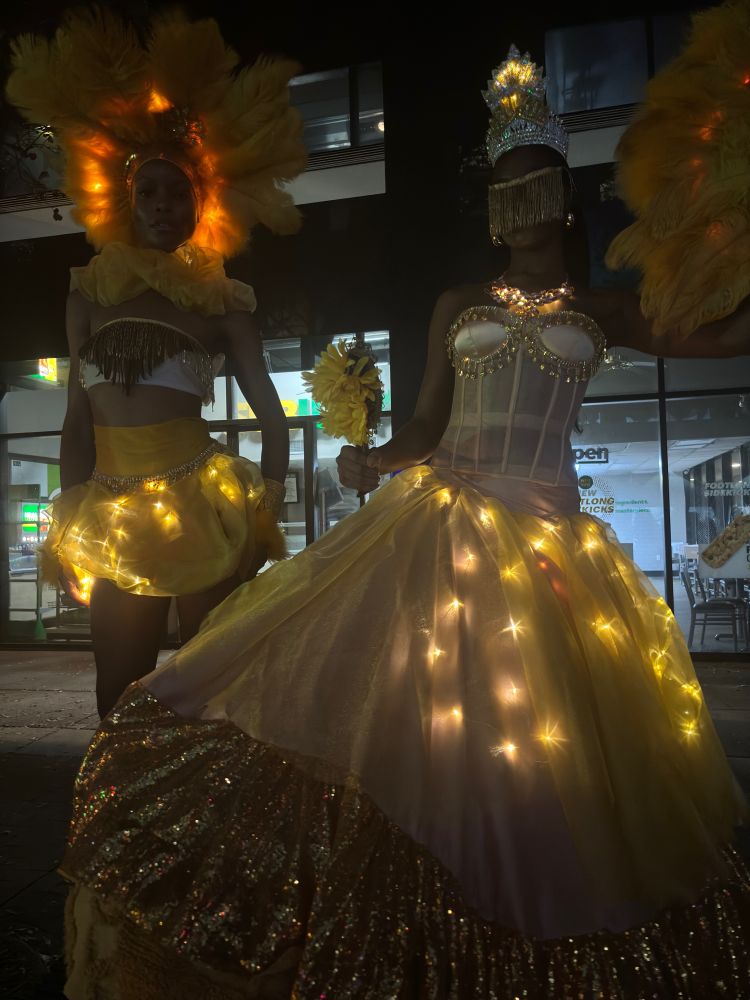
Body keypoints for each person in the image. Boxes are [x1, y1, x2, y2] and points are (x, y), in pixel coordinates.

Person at [54, 12, 750, 1000]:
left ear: (563, 203)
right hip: (440, 520)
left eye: (538, 190)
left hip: (549, 543)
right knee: (381, 708)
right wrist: (375, 457)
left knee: (528, 751)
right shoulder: (457, 302)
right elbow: (426, 423)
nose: (521, 209)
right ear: (495, 210)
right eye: (506, 193)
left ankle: (507, 920)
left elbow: (723, 335)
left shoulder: (606, 312)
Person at [7, 9, 306, 717]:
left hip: (204, 505)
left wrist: (260, 513)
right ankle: (123, 794)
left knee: (210, 690)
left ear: (200, 206)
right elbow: (77, 421)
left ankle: (213, 795)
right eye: (150, 192)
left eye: (178, 194)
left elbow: (273, 418)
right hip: (111, 511)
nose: (163, 206)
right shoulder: (87, 296)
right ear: (128, 201)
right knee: (117, 690)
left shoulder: (221, 305)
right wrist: (70, 522)